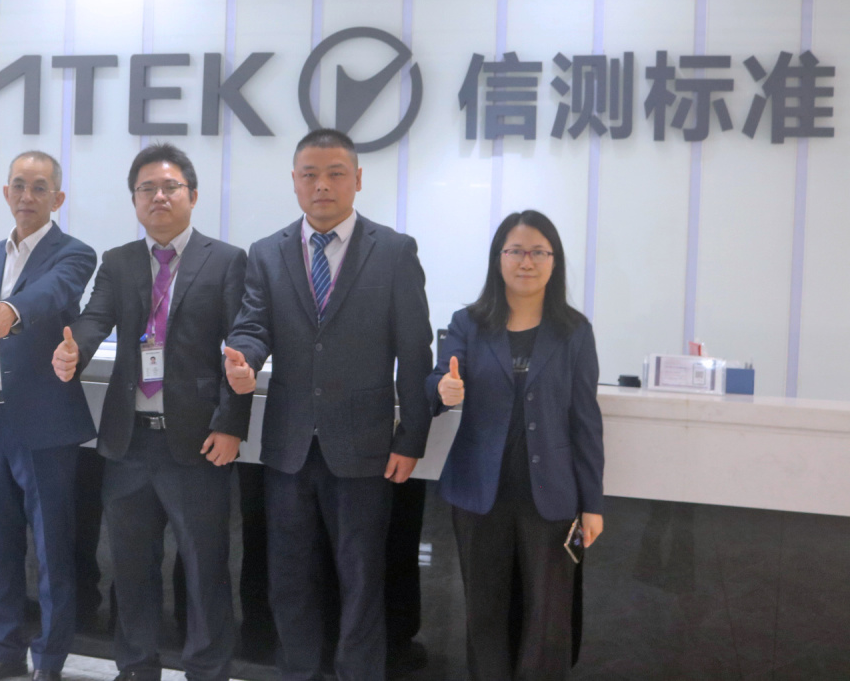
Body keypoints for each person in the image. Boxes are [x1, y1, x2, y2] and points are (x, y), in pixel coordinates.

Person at [224, 128, 433, 681]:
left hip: (365, 446)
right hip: (289, 445)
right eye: (310, 174)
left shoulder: (394, 251)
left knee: (362, 578)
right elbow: (252, 325)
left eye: (335, 173)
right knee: (289, 577)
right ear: (294, 182)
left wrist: (412, 438)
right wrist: (244, 358)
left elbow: (415, 352)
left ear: (357, 180)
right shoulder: (266, 252)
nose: (322, 185)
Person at [53, 144, 248, 681]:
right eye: (146, 189)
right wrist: (73, 351)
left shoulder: (226, 260)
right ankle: (136, 667)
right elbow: (93, 320)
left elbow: (242, 349)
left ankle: (207, 670)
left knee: (205, 568)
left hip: (198, 443)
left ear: (193, 195)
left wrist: (232, 424)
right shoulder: (118, 261)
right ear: (135, 199)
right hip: (129, 442)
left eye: (169, 187)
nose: (158, 196)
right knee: (131, 568)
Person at [425, 210, 604, 680]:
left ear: (554, 261)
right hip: (479, 492)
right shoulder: (468, 323)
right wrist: (443, 388)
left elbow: (585, 422)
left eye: (539, 252)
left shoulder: (574, 331)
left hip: (552, 494)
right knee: (484, 613)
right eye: (516, 251)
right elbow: (440, 378)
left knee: (548, 617)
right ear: (498, 258)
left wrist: (592, 503)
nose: (527, 261)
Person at [0, 151, 97, 681]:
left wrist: (11, 313)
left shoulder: (74, 253)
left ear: (58, 198)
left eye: (39, 187)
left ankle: (49, 662)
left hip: (44, 425)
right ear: (6, 193)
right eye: (19, 185)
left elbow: (51, 293)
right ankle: (3, 652)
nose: (27, 196)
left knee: (52, 551)